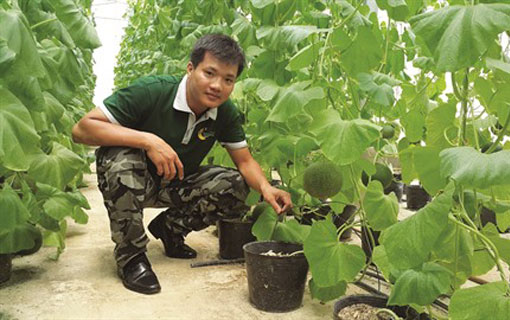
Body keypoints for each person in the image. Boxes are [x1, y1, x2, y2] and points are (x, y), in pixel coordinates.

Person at [72, 34, 293, 295]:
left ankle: (170, 229)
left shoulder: (224, 112)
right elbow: (82, 129)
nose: (217, 85)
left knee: (237, 185)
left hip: (176, 183)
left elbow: (244, 160)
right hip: (131, 180)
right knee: (120, 159)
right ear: (190, 69)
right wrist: (147, 141)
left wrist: (266, 188)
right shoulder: (152, 91)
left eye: (228, 79)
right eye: (209, 73)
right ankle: (131, 256)